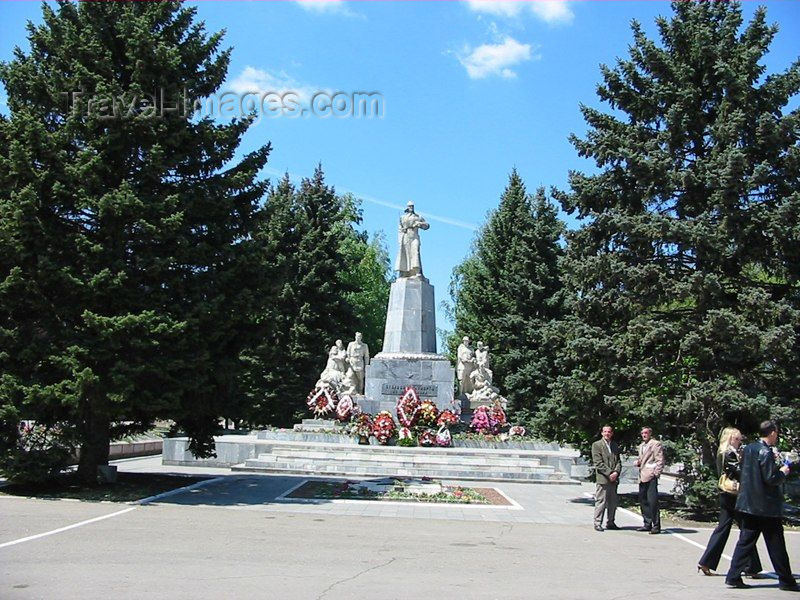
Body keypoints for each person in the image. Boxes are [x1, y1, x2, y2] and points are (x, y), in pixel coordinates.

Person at [725, 420, 797, 591]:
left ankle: (733, 576)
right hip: (765, 506)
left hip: (748, 503)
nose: (776, 436)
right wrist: (783, 471)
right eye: (776, 433)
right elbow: (770, 478)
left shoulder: (748, 448)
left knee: (745, 542)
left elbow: (746, 472)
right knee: (776, 544)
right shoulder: (765, 452)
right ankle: (786, 580)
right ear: (772, 433)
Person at [697, 427, 762, 577]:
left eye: (740, 439)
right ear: (731, 439)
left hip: (727, 494)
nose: (740, 442)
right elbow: (739, 472)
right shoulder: (728, 453)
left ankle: (707, 562)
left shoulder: (725, 452)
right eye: (738, 439)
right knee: (747, 529)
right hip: (732, 495)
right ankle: (751, 566)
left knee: (726, 528)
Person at [633, 426, 664, 534]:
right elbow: (643, 459)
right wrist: (638, 462)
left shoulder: (655, 444)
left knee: (653, 501)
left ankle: (656, 525)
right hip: (642, 476)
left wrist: (656, 473)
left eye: (646, 433)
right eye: (642, 433)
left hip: (651, 476)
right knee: (643, 500)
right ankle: (647, 523)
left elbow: (659, 460)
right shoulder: (641, 446)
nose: (644, 435)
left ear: (650, 433)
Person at [591, 425, 622, 532]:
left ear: (612, 433)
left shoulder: (614, 445)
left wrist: (616, 472)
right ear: (602, 433)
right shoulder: (597, 445)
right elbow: (598, 463)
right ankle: (597, 522)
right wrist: (610, 473)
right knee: (601, 501)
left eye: (609, 432)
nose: (607, 434)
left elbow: (618, 461)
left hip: (614, 479)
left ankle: (611, 522)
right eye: (605, 432)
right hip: (603, 479)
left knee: (613, 502)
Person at [394, 201, 429, 278]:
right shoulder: (402, 217)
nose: (411, 207)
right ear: (407, 207)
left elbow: (427, 225)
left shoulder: (417, 216)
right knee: (405, 254)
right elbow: (399, 228)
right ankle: (404, 272)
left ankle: (417, 271)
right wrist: (402, 231)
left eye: (412, 206)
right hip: (405, 236)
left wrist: (419, 224)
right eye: (410, 206)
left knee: (415, 252)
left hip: (414, 236)